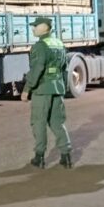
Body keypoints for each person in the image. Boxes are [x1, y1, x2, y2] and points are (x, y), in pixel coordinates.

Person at [21, 17, 73, 169]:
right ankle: (66, 156)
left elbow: (37, 69)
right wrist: (63, 88)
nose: (33, 29)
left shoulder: (40, 46)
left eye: (36, 26)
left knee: (39, 122)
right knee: (57, 122)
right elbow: (65, 68)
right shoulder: (59, 44)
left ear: (45, 27)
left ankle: (39, 157)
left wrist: (27, 89)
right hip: (57, 88)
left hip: (42, 89)